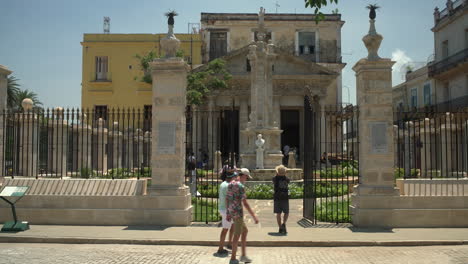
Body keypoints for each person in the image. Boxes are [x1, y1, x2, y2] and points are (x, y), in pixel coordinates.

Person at [226, 168, 258, 264]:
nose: (246, 179)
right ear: (243, 175)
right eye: (247, 177)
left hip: (232, 211)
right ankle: (233, 258)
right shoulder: (240, 186)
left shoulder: (231, 183)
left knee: (244, 231)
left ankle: (243, 256)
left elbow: (227, 199)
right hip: (238, 213)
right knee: (237, 235)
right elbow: (245, 203)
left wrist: (228, 213)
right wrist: (254, 216)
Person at [217, 169, 237, 255]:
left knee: (232, 226)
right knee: (225, 229)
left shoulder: (223, 184)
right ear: (231, 177)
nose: (235, 178)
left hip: (225, 208)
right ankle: (220, 248)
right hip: (227, 210)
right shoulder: (228, 186)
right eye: (234, 176)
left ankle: (229, 243)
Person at [272, 164, 290, 234]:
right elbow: (288, 181)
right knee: (286, 212)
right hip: (285, 197)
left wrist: (277, 174)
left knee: (278, 213)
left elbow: (273, 180)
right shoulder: (286, 179)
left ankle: (280, 227)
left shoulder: (275, 179)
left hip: (277, 197)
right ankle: (284, 223)